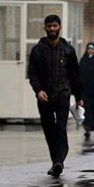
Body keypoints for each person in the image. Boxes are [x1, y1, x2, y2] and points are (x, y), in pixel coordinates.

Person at [27, 14, 82, 177]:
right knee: (49, 130)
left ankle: (59, 161)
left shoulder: (68, 50)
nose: (52, 29)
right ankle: (55, 162)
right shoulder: (38, 50)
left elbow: (74, 75)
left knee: (60, 128)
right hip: (44, 96)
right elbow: (32, 73)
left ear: (60, 27)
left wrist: (79, 96)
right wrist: (38, 90)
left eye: (55, 26)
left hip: (63, 94)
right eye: (49, 26)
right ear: (45, 28)